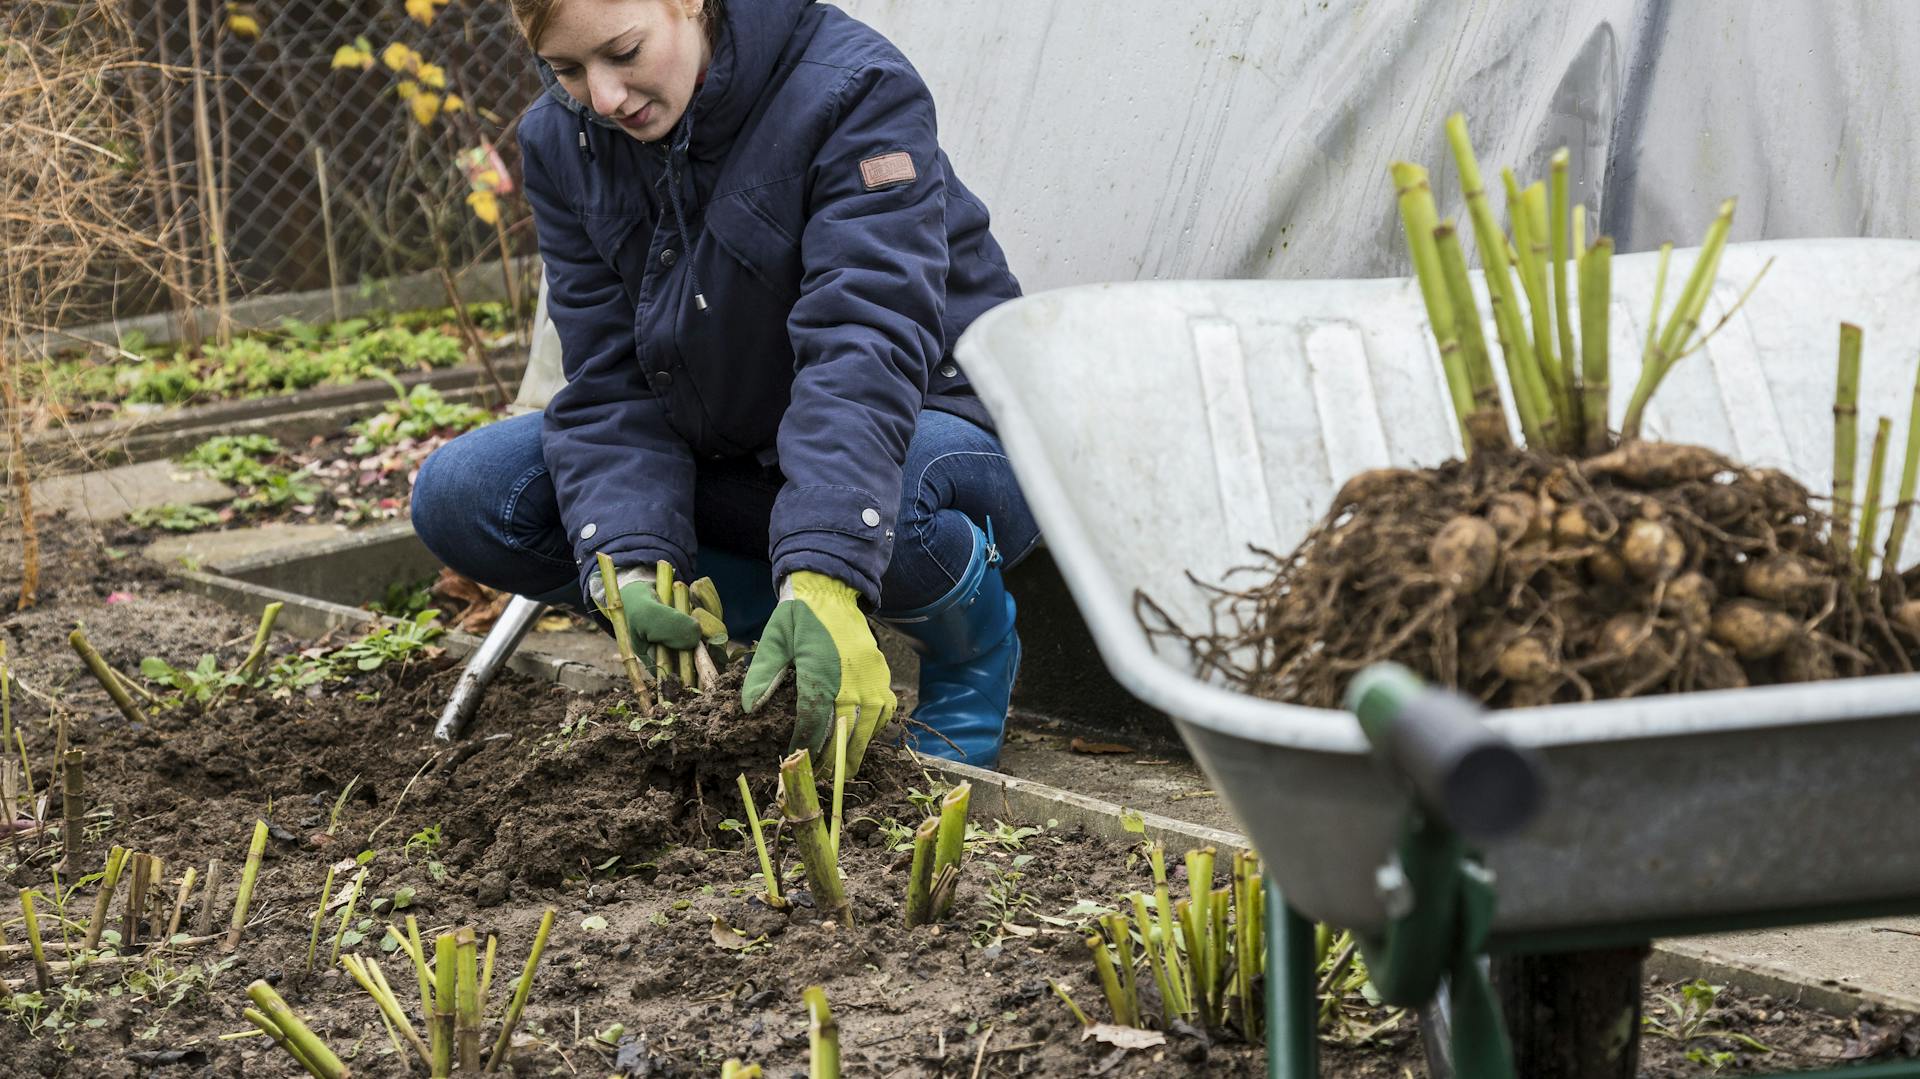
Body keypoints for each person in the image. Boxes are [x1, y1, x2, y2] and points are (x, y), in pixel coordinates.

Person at [410, 0, 1038, 772]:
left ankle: (969, 648)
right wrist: (635, 564)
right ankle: (779, 628)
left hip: (937, 422)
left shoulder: (854, 88)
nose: (602, 98)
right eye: (566, 70)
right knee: (469, 491)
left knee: (886, 504)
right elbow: (611, 380)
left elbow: (864, 341)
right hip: (747, 442)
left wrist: (828, 569)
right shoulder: (562, 139)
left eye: (624, 51)